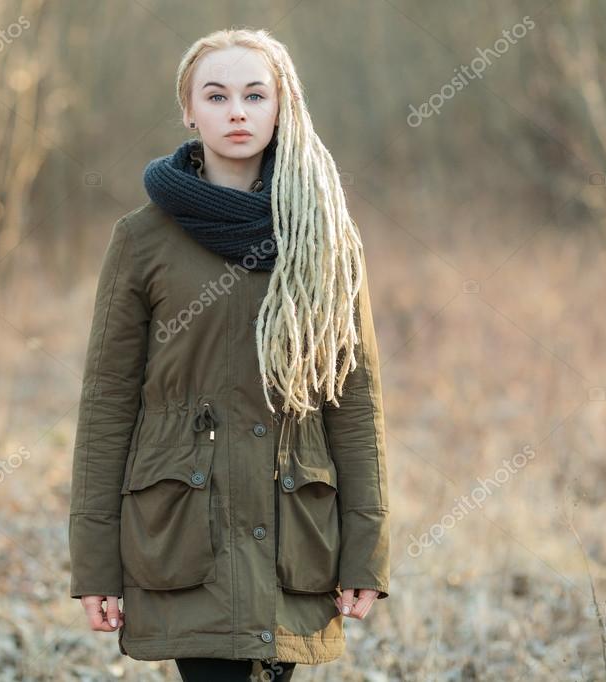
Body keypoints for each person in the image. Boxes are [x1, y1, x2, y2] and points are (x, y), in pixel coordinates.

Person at [68, 27, 390, 681]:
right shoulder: (141, 239)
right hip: (183, 529)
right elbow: (106, 405)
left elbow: (352, 403)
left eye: (254, 94)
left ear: (282, 106)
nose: (236, 111)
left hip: (293, 528)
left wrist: (366, 553)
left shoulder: (324, 235)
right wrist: (93, 566)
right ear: (188, 109)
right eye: (215, 96)